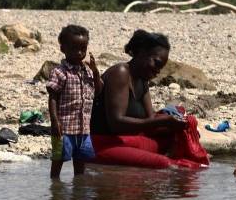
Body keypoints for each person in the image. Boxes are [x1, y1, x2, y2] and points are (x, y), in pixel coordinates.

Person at [90, 29, 208, 169]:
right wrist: (163, 120)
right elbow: (116, 123)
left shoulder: (142, 80)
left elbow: (150, 119)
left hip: (127, 141)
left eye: (160, 68)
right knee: (170, 166)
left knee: (176, 141)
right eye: (156, 64)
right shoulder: (121, 73)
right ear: (141, 52)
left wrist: (176, 126)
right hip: (102, 144)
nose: (157, 72)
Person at [47, 25, 103, 178]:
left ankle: (79, 191)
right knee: (58, 159)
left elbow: (98, 91)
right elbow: (52, 97)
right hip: (64, 128)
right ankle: (55, 189)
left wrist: (96, 72)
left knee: (81, 162)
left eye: (82, 49)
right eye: (73, 49)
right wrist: (54, 121)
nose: (79, 53)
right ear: (63, 48)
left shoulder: (89, 71)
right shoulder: (59, 72)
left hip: (83, 129)